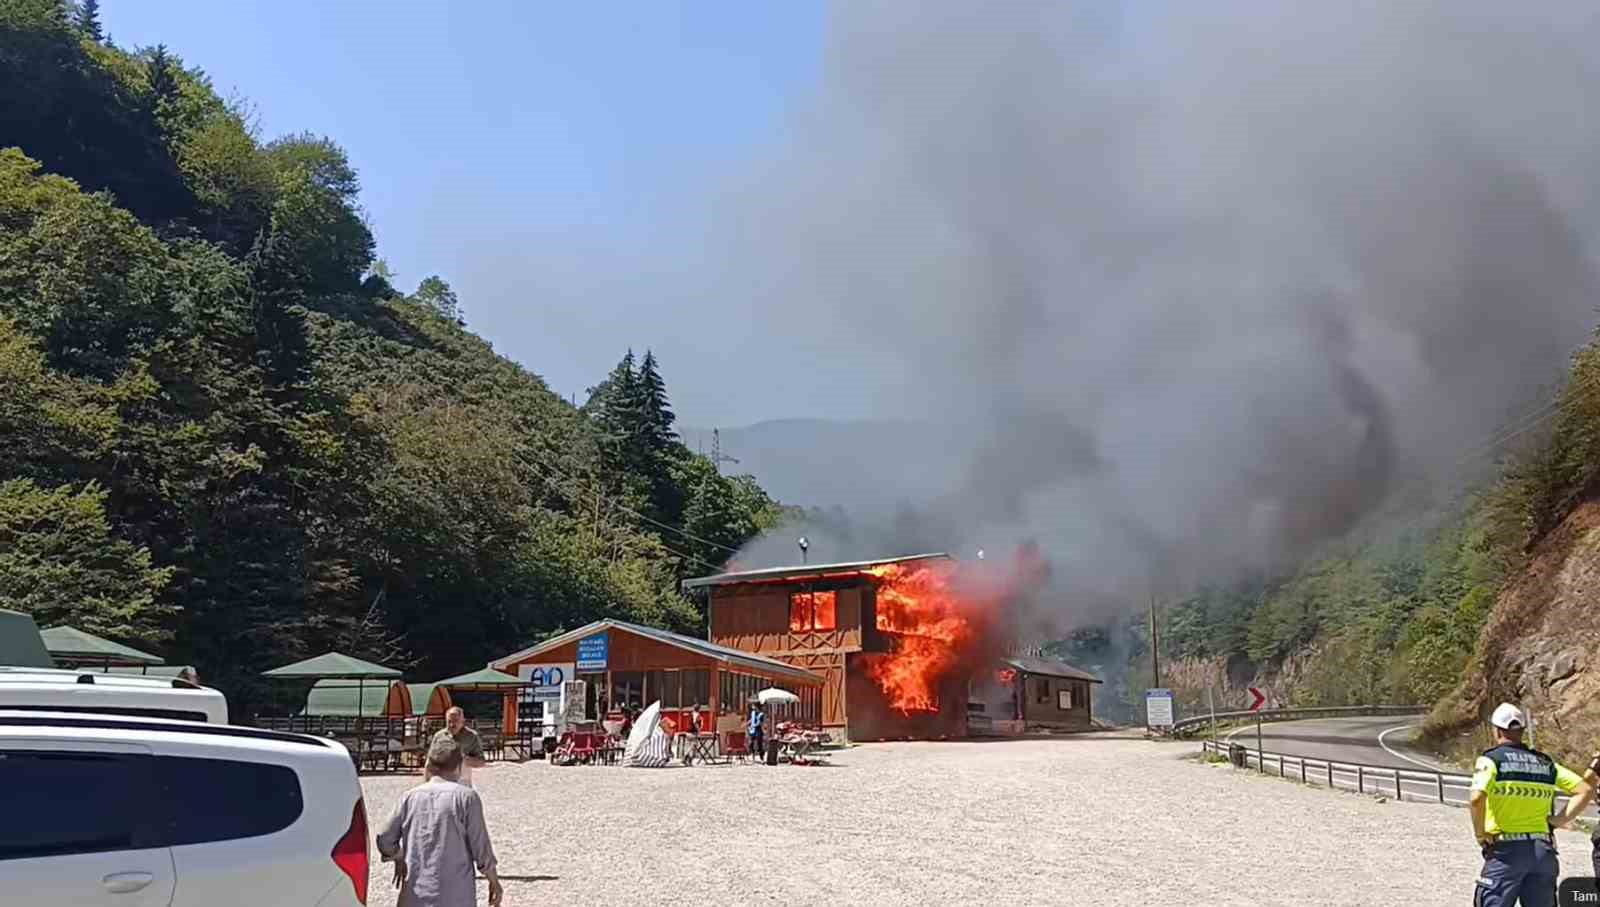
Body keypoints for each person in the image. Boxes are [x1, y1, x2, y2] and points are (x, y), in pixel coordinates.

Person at [1469, 702, 1591, 907]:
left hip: (1506, 851)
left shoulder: (1490, 760)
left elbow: (1476, 799)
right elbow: (1585, 790)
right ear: (1522, 731)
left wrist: (1481, 835)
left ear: (1497, 730)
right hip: (1543, 851)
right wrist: (1557, 820)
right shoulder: (1545, 763)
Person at [376, 737, 503, 907]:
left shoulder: (409, 797)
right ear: (458, 767)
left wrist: (399, 856)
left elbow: (384, 837)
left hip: (415, 894)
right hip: (456, 896)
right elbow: (481, 847)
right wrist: (493, 880)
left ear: (429, 765)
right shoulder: (466, 797)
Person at [427, 707, 487, 787]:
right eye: (449, 722)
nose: (452, 725)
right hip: (439, 783)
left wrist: (463, 760)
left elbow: (481, 761)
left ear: (463, 721)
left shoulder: (472, 736)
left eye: (455, 721)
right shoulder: (439, 736)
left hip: (461, 784)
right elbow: (429, 762)